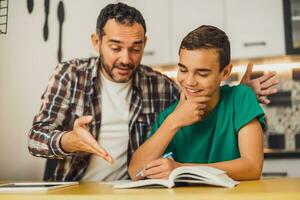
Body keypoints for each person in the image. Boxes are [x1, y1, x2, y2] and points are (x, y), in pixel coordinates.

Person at [28, 3, 277, 182]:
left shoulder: (159, 85)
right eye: (115, 47)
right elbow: (35, 137)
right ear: (97, 42)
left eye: (135, 48)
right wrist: (68, 140)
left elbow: (205, 93)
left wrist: (239, 92)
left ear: (144, 44)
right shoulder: (71, 75)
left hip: (126, 189)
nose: (125, 58)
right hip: (72, 187)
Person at [128, 25, 266, 181]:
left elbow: (252, 167)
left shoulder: (240, 98)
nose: (189, 81)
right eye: (183, 70)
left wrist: (181, 169)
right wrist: (174, 122)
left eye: (202, 73)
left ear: (225, 72)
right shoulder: (168, 117)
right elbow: (135, 172)